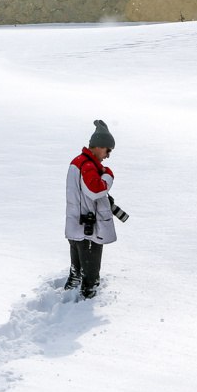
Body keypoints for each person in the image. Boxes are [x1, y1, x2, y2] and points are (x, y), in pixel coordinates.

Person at [65, 119, 118, 299]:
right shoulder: (87, 165)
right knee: (90, 273)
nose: (108, 155)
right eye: (107, 150)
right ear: (98, 146)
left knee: (77, 266)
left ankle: (73, 287)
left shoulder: (78, 162)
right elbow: (96, 190)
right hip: (88, 226)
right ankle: (86, 300)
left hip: (77, 224)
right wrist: (108, 175)